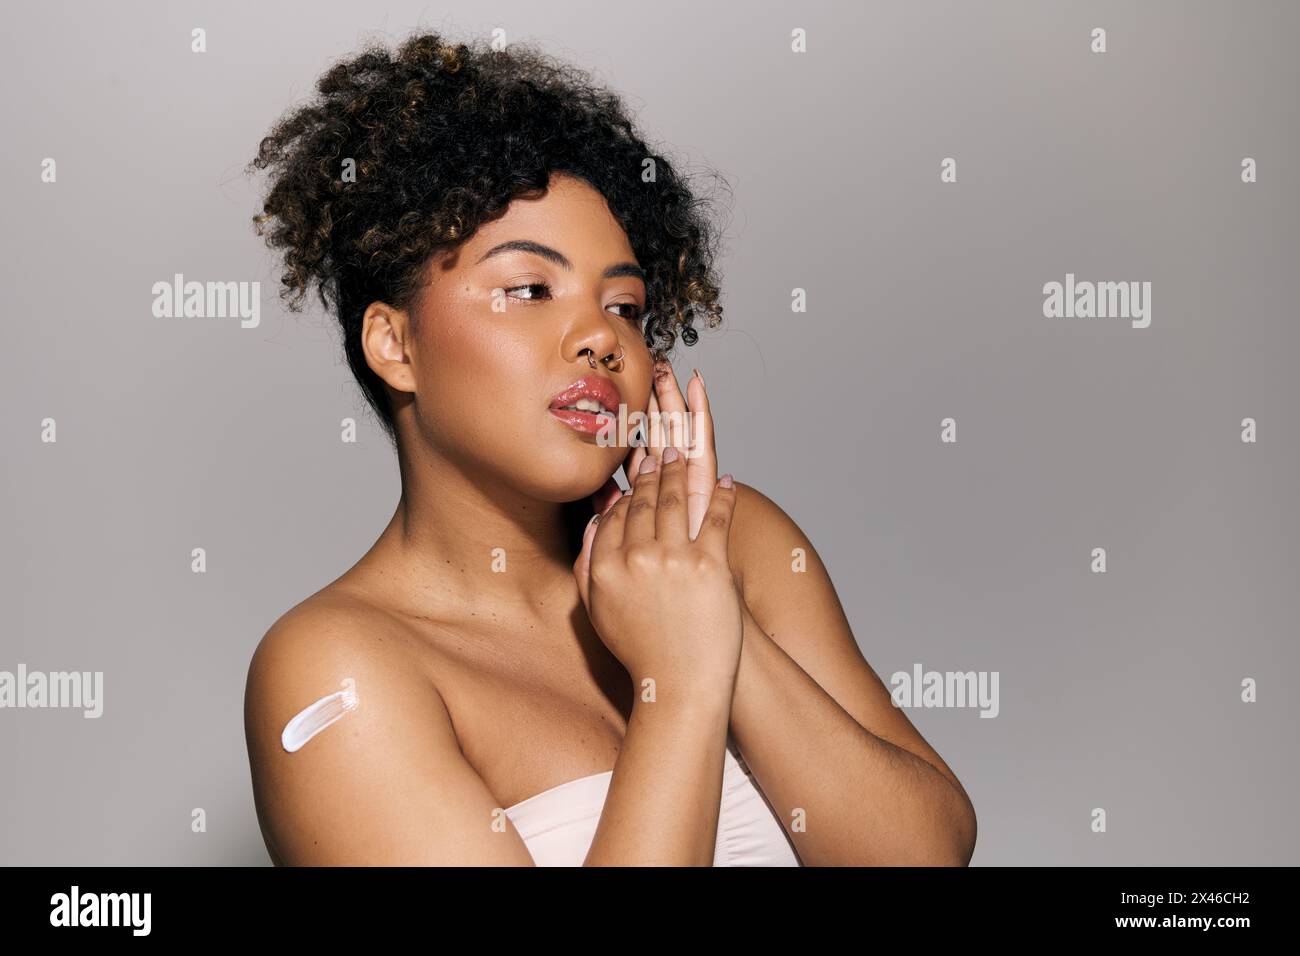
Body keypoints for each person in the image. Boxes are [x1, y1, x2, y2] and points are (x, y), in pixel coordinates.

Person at [242, 31, 975, 866]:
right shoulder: (335, 667)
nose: (599, 337)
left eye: (624, 305)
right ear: (394, 345)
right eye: (529, 289)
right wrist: (684, 679)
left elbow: (927, 855)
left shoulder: (732, 544)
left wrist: (714, 617)